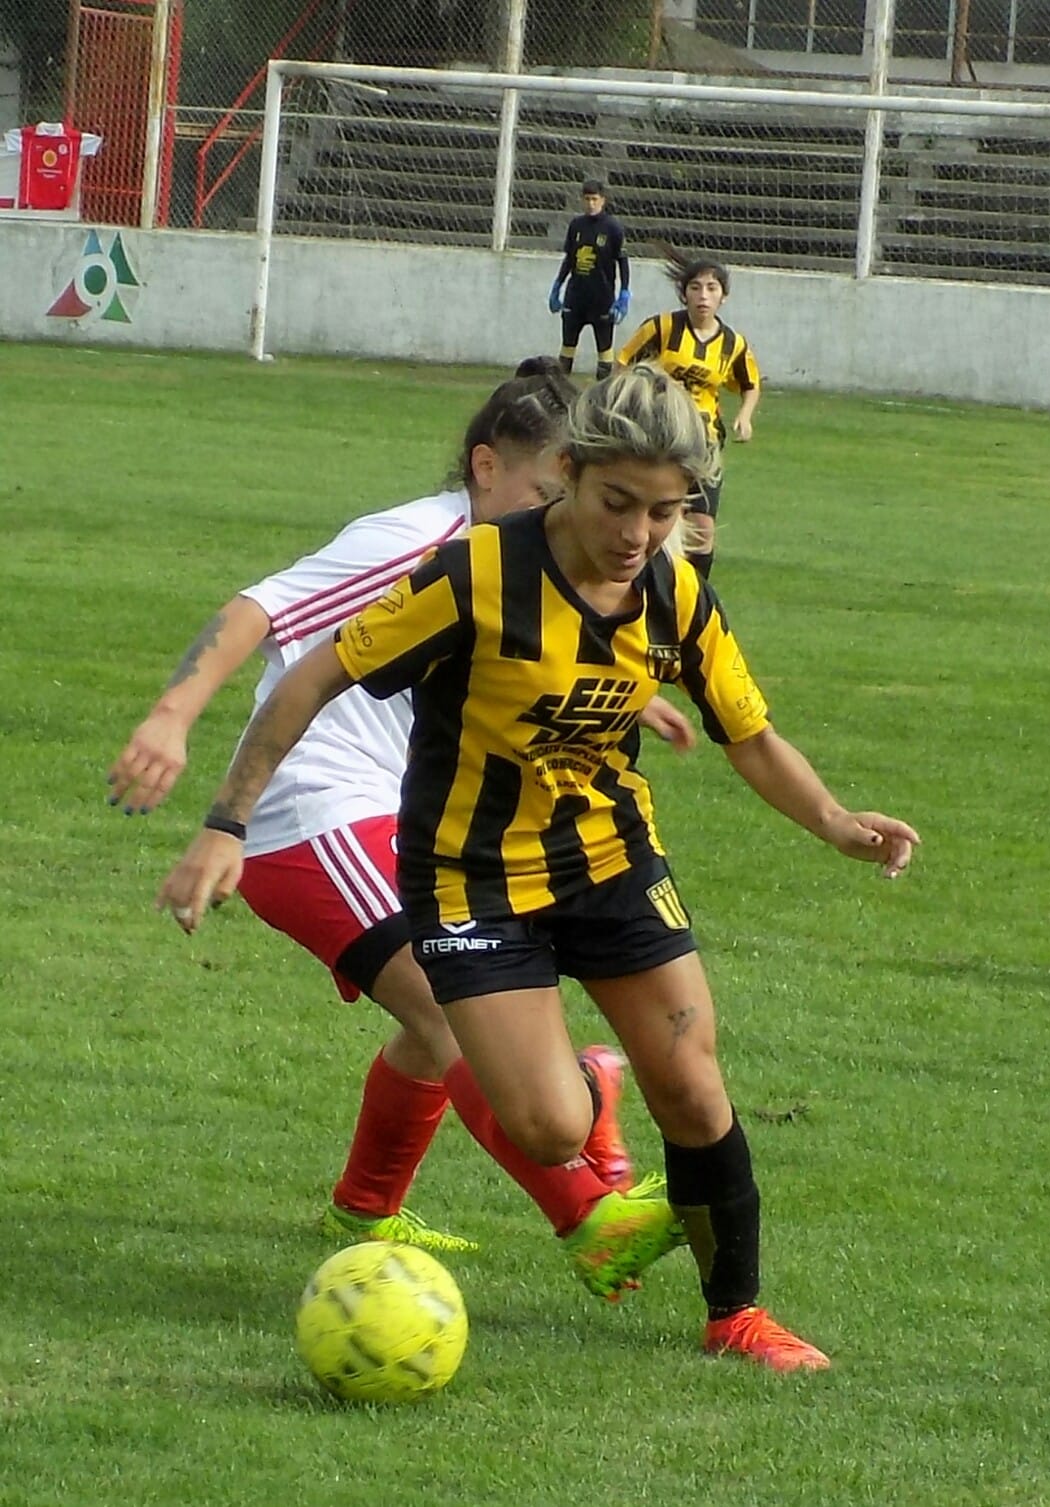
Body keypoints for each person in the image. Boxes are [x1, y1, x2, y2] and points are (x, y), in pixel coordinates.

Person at [157, 365, 920, 1372]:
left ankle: (735, 1314)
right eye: (617, 503)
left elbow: (749, 733)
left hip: (607, 859)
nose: (637, 533)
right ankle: (576, 1090)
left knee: (692, 1086)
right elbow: (314, 674)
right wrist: (227, 822)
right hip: (471, 878)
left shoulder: (675, 592)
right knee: (550, 1129)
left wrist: (833, 819)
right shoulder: (473, 574)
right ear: (565, 472)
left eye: (665, 511)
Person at [109, 362, 693, 1300]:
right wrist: (176, 721)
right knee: (448, 1002)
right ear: (484, 467)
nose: (572, 518)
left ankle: (365, 1204)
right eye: (552, 491)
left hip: (404, 816)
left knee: (439, 1018)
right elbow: (260, 610)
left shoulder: (522, 566)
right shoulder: (415, 538)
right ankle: (589, 1217)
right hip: (314, 812)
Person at [617, 248, 760, 578]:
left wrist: (745, 415)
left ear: (724, 296)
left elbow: (750, 383)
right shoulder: (662, 328)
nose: (703, 296)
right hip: (660, 439)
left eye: (712, 288)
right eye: (695, 287)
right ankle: (653, 585)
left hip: (705, 442)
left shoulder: (733, 344)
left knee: (703, 528)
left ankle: (695, 594)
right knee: (663, 517)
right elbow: (623, 365)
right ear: (684, 294)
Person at [548, 178, 630, 381]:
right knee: (567, 345)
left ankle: (603, 393)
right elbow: (570, 258)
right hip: (575, 296)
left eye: (594, 199)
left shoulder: (613, 228)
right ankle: (560, 390)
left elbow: (623, 261)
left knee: (604, 347)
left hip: (601, 298)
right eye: (587, 199)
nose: (590, 204)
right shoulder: (576, 225)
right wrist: (557, 285)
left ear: (603, 200)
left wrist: (624, 293)